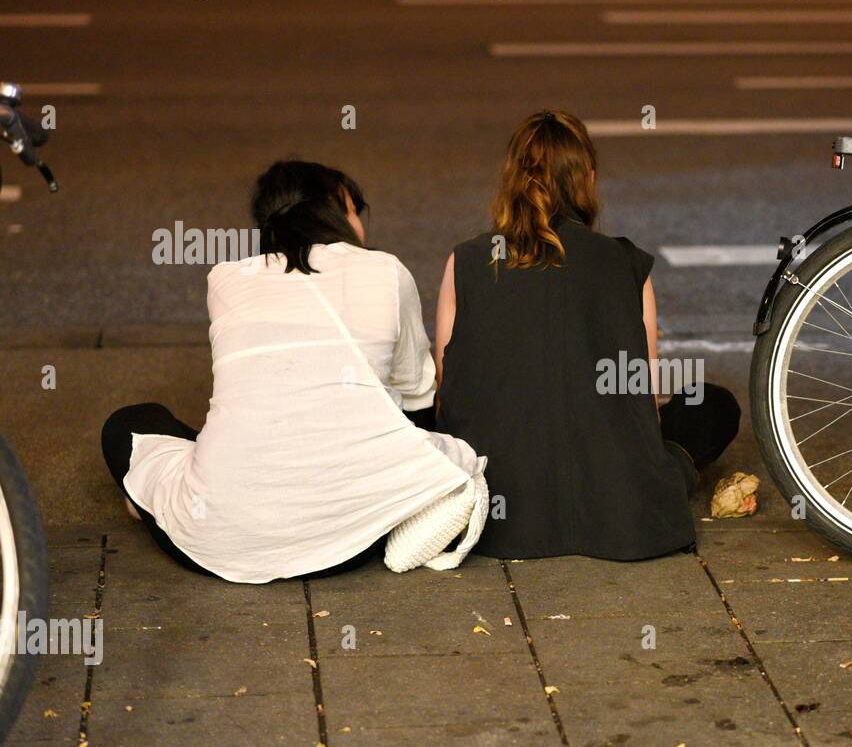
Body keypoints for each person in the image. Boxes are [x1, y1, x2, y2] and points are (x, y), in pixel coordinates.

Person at [101, 160, 479, 583]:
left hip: (221, 540)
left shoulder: (226, 280)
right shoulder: (387, 271)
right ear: (335, 207)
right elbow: (418, 399)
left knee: (129, 423)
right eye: (356, 209)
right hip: (356, 541)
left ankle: (153, 498)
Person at [434, 109, 740, 561]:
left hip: (495, 510)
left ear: (512, 181)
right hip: (616, 512)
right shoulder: (626, 263)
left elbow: (448, 390)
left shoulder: (467, 261)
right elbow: (641, 401)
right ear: (588, 180)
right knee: (712, 404)